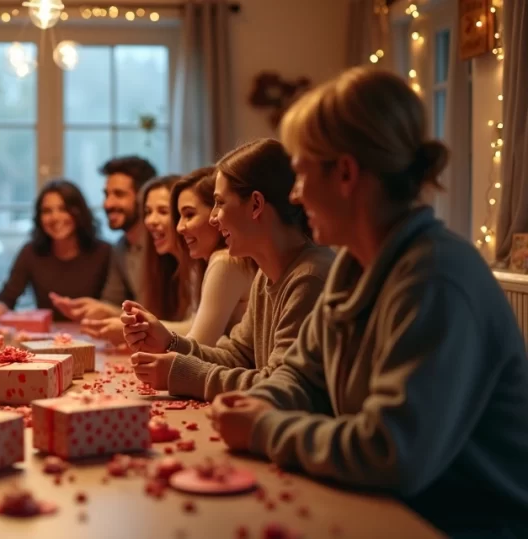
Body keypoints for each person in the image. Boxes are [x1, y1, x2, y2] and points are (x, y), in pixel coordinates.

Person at [210, 67, 528, 536]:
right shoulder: (353, 267)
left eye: (299, 173)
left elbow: (390, 452)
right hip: (390, 510)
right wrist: (253, 403)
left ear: (344, 173)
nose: (294, 194)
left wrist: (261, 430)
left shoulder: (434, 278)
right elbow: (302, 373)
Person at [124, 138, 334, 401]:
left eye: (220, 203)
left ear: (256, 205)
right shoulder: (265, 275)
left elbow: (281, 386)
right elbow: (237, 355)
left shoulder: (309, 278)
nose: (213, 217)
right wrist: (169, 342)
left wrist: (181, 374)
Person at [81, 170, 255, 345]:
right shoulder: (189, 263)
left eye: (164, 211)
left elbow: (198, 341)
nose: (150, 221)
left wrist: (140, 328)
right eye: (147, 212)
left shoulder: (224, 260)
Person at [0, 179, 112, 321]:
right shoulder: (31, 252)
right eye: (47, 211)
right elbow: (5, 299)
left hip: (94, 334)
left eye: (63, 209)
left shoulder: (104, 252)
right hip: (46, 339)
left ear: (79, 212)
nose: (55, 217)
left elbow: (113, 306)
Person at [53, 156, 156, 321]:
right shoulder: (121, 247)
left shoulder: (162, 244)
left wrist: (110, 312)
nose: (107, 204)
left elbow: (160, 316)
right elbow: (113, 303)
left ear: (143, 198)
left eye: (119, 194)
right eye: (107, 194)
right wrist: (92, 308)